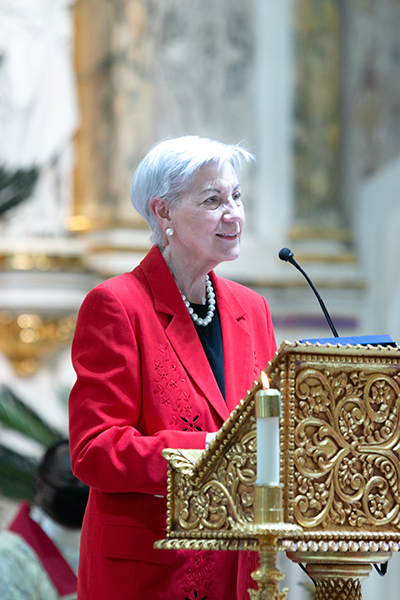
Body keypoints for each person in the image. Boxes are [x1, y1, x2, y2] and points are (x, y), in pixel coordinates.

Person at [68, 135, 277, 600]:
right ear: (163, 213)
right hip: (150, 575)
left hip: (241, 572)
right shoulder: (117, 305)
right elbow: (94, 450)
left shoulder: (253, 309)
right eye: (213, 200)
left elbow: (269, 431)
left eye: (237, 197)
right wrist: (208, 449)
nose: (234, 213)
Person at [0, 440, 89, 600]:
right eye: (70, 479)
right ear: (41, 484)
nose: (81, 488)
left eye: (87, 481)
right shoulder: (8, 555)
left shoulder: (108, 547)